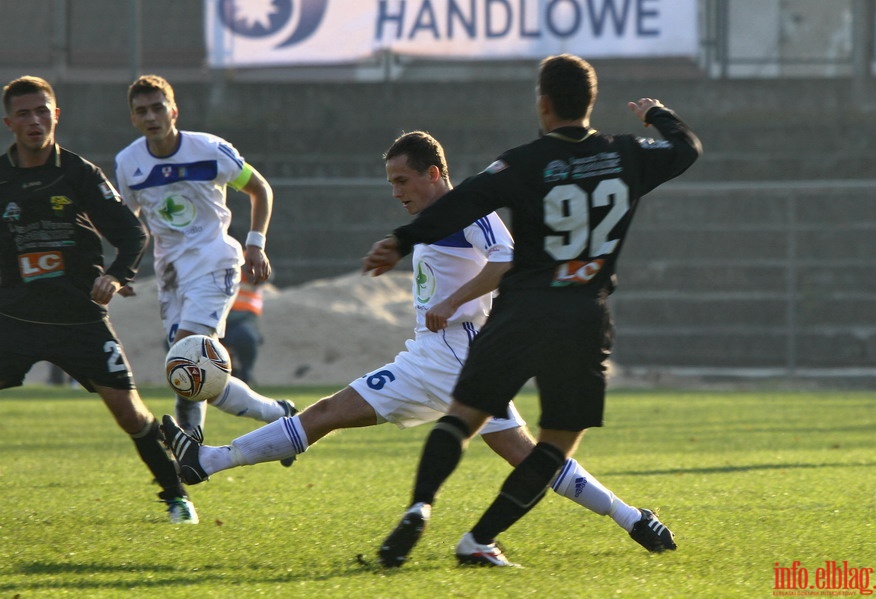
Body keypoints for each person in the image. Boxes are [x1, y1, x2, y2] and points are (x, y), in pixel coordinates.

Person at [159, 130, 675, 559]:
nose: (395, 191)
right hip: (430, 355)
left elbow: (508, 259)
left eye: (401, 180)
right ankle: (206, 462)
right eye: (391, 182)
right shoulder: (440, 219)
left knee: (525, 455)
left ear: (433, 174)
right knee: (327, 414)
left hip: (459, 355)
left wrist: (455, 302)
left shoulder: (471, 211)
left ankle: (628, 518)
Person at [364, 55, 702, 567]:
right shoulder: (626, 155)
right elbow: (687, 148)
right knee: (554, 447)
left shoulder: (524, 161)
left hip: (521, 312)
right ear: (589, 102)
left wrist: (402, 240)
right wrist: (656, 114)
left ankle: (421, 505)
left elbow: (464, 201)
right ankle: (479, 538)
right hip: (584, 315)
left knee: (460, 420)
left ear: (543, 105)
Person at [0, 76, 199, 524]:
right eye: (25, 113)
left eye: (42, 111)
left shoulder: (79, 173)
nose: (35, 120)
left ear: (56, 115)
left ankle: (176, 496)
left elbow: (132, 233)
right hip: (12, 317)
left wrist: (114, 275)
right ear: (9, 122)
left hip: (78, 318)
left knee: (129, 413)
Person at [113, 74, 295, 451]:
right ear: (133, 118)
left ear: (173, 111)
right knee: (199, 379)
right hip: (171, 276)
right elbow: (128, 222)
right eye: (141, 111)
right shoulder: (128, 163)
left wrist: (255, 245)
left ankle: (190, 442)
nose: (151, 116)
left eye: (158, 107)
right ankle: (280, 415)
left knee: (186, 354)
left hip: (215, 261)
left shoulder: (210, 150)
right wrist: (123, 268)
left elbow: (259, 187)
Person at [221, 257, 265, 386]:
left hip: (241, 318)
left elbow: (262, 277)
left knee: (246, 338)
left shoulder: (248, 256)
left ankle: (245, 376)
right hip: (212, 317)